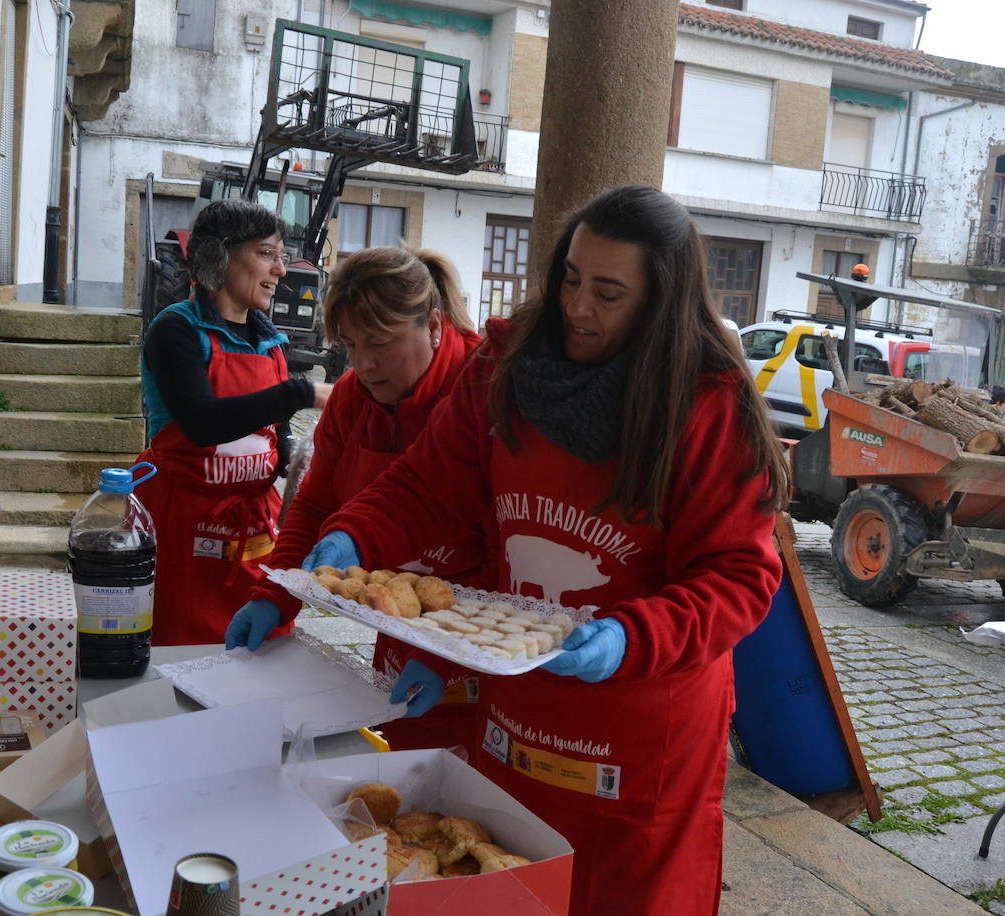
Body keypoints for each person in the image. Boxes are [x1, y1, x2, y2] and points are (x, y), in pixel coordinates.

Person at [301, 186, 788, 913]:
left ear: (660, 301)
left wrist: (630, 636)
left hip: (637, 735)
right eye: (570, 278)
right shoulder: (509, 369)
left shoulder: (704, 405)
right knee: (509, 883)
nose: (578, 308)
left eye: (608, 292)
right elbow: (428, 486)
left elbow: (739, 576)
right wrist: (355, 532)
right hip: (519, 721)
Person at [226, 246, 489, 754]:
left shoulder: (479, 389)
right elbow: (315, 505)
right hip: (396, 618)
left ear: (433, 325)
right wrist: (278, 590)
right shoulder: (353, 395)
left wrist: (446, 651)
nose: (364, 364)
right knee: (407, 768)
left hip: (479, 633)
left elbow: (504, 541)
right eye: (349, 345)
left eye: (380, 344)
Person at [134, 198, 331, 646]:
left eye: (281, 256)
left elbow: (275, 438)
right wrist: (302, 394)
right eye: (266, 254)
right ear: (219, 257)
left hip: (255, 534)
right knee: (181, 661)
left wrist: (301, 466)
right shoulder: (176, 330)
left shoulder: (271, 342)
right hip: (183, 531)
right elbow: (202, 423)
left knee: (263, 649)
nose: (280, 271)